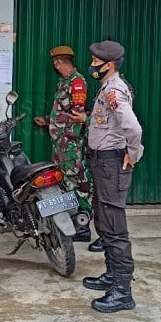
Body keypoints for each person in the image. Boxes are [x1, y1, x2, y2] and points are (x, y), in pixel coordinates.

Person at [68, 40, 143, 313]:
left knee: (114, 227)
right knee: (103, 219)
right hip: (102, 163)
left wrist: (133, 153)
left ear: (108, 65)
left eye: (95, 61)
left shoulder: (115, 91)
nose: (92, 65)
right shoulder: (106, 88)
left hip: (113, 163)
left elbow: (133, 128)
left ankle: (122, 291)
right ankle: (112, 275)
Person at [33, 45, 101, 248]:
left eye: (55, 63)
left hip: (71, 144)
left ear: (58, 62)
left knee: (77, 182)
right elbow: (64, 111)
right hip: (61, 144)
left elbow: (77, 114)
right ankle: (70, 223)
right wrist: (48, 121)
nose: (55, 66)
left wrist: (61, 127)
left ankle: (82, 227)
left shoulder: (77, 82)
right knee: (64, 182)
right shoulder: (63, 82)